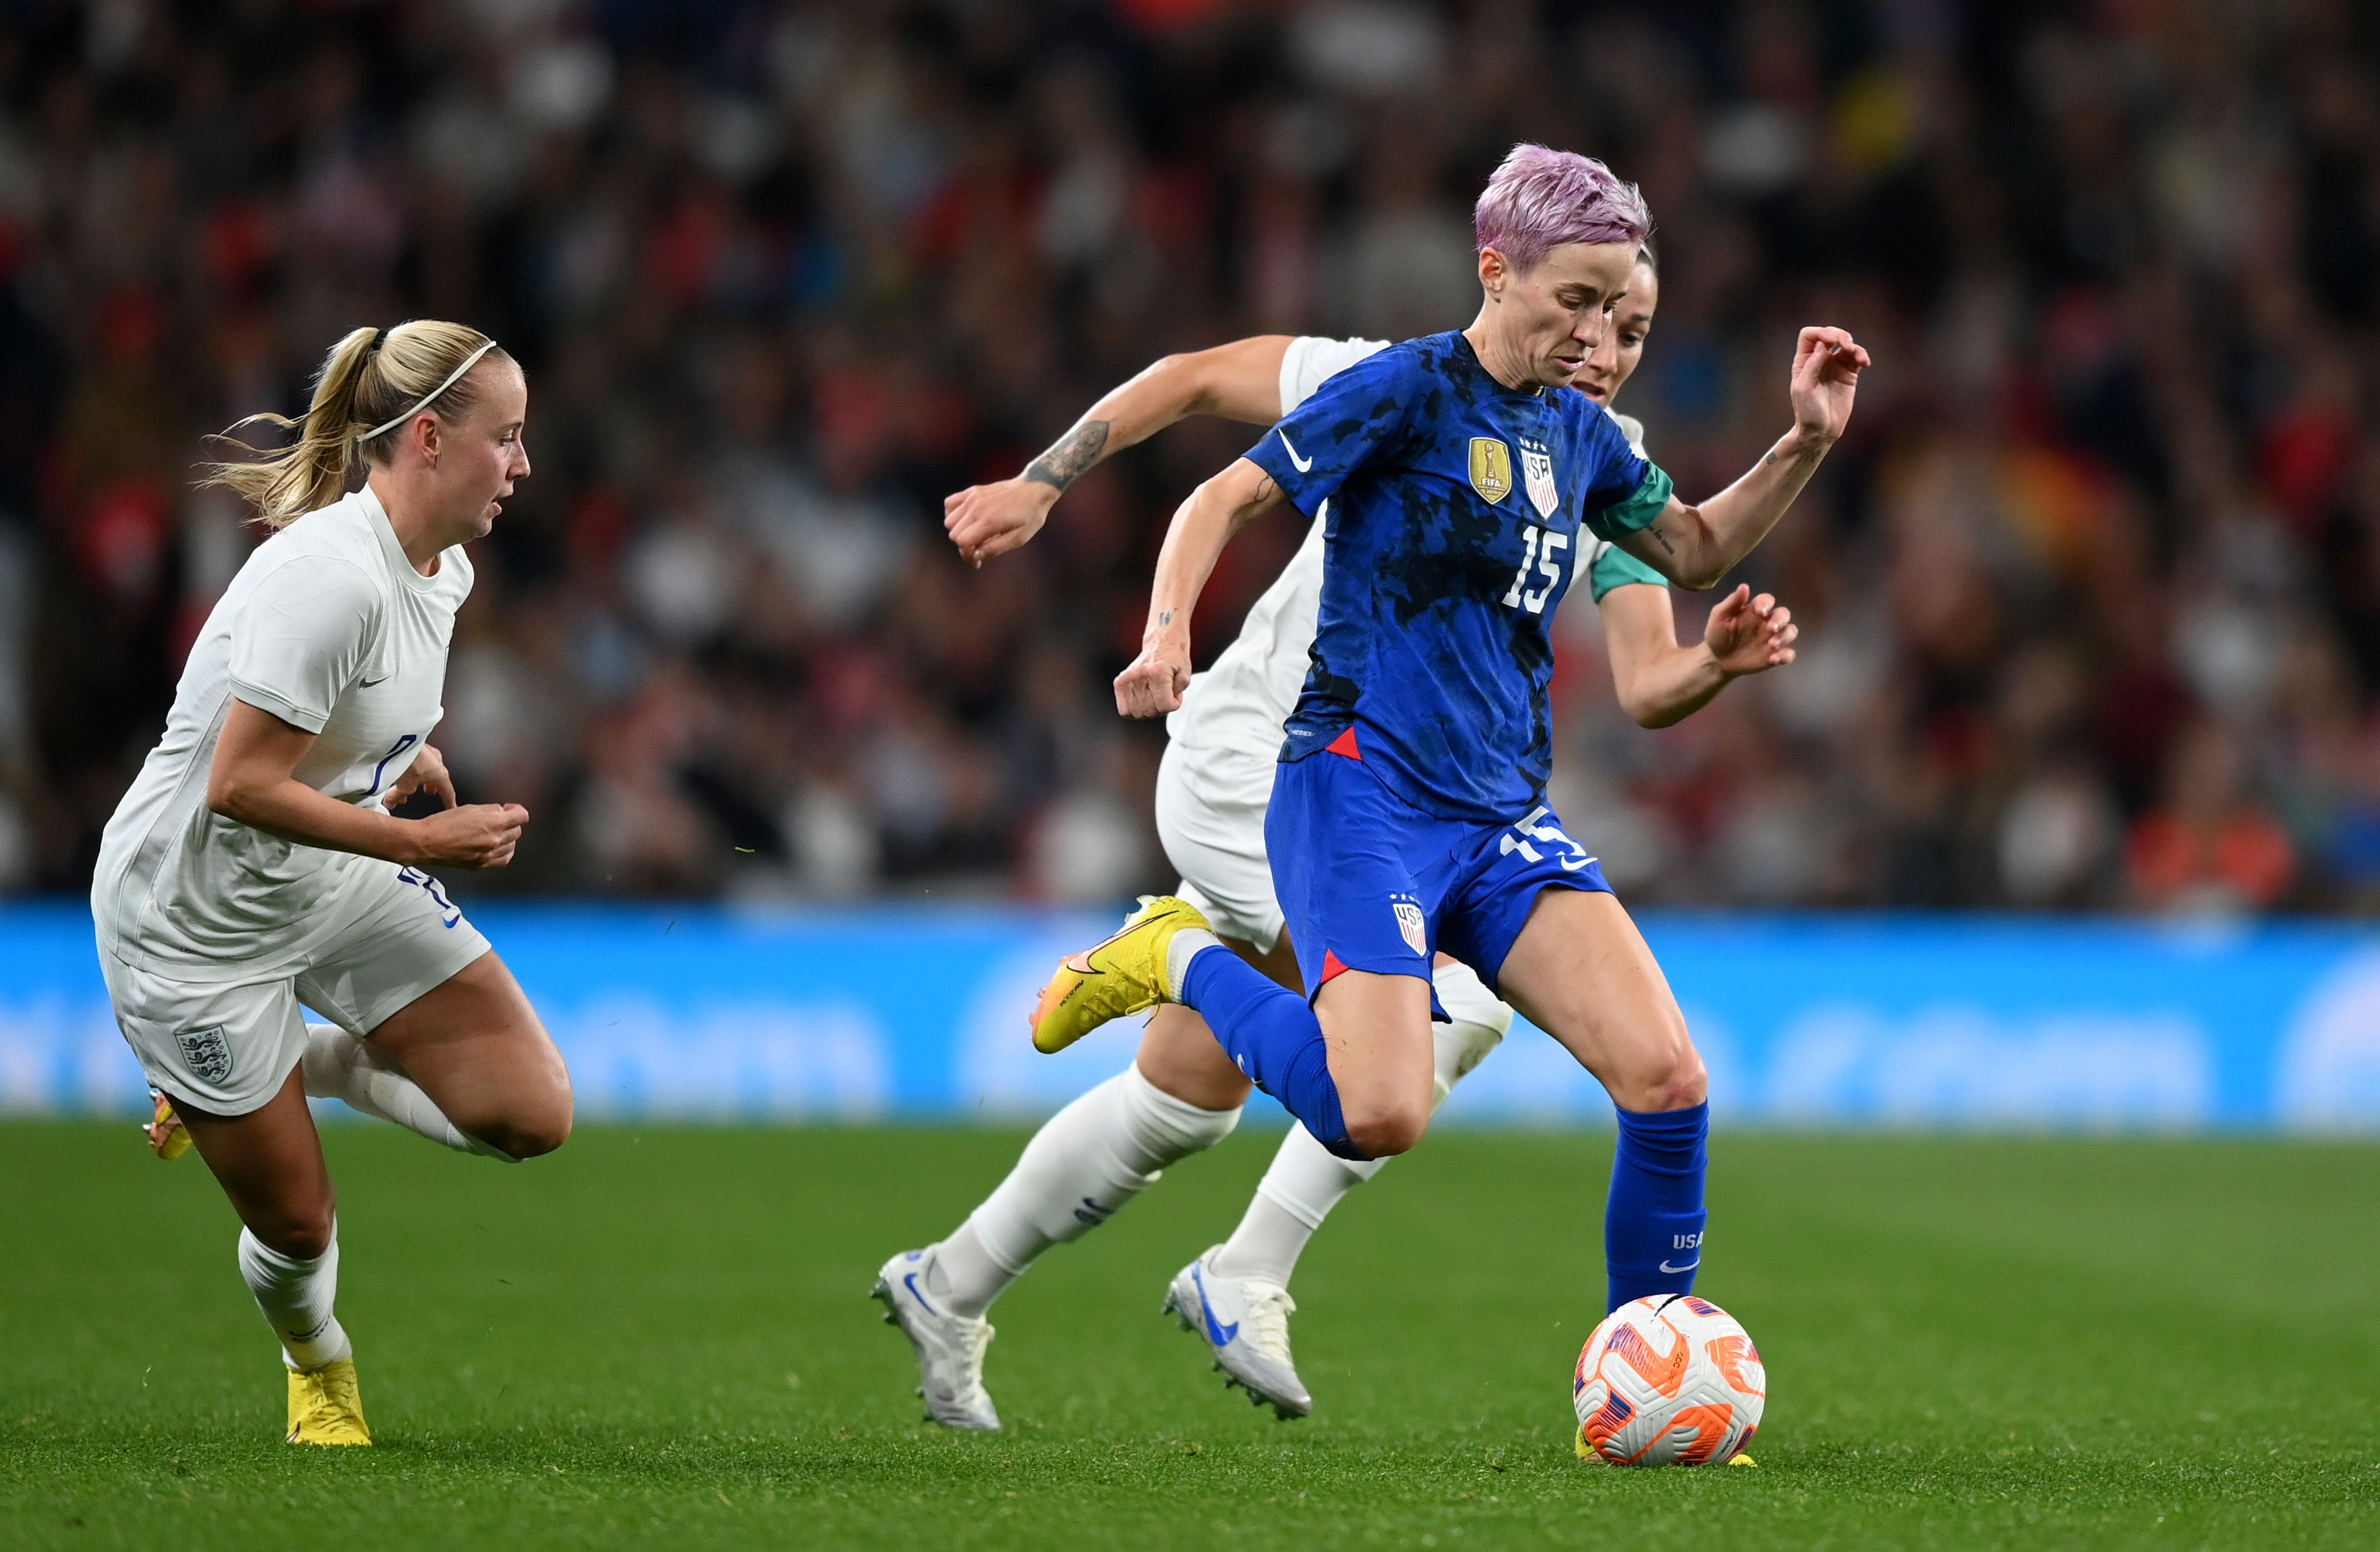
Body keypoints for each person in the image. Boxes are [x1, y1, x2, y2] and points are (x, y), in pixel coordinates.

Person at [877, 235, 1800, 1425]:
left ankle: (947, 1284)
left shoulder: (1597, 462)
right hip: (1267, 765)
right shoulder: (1395, 380)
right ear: (1514, 285)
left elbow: (1648, 683)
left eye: (1632, 330)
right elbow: (1197, 377)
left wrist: (1716, 666)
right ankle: (1246, 1268)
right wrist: (1045, 481)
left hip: (1429, 799)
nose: (1605, 347)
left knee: (1188, 1090)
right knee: (1448, 1008)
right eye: (1586, 309)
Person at [93, 321, 572, 1445]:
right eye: (506, 438)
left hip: (328, 871)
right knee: (302, 1228)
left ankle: (295, 1065)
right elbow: (237, 784)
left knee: (532, 1114)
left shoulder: (443, 565)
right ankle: (320, 1362)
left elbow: (341, 723)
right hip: (192, 929)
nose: (523, 464)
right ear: (426, 436)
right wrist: (419, 840)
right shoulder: (324, 578)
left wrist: (398, 759)